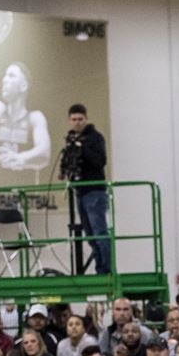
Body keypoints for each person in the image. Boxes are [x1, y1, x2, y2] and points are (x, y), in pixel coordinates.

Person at [59, 104, 110, 274]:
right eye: (74, 119)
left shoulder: (95, 138)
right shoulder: (70, 140)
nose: (77, 123)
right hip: (80, 192)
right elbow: (67, 161)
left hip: (94, 191)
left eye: (80, 119)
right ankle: (100, 267)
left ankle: (106, 269)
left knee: (99, 232)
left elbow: (100, 161)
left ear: (86, 119)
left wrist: (83, 148)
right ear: (69, 121)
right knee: (90, 235)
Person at [0, 61, 51, 174]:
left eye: (11, 76)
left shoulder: (35, 117)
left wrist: (21, 158)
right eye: (5, 75)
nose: (4, 80)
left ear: (23, 85)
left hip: (24, 188)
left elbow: (45, 152)